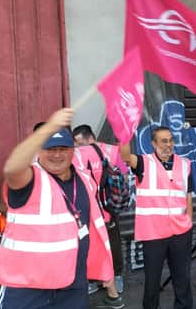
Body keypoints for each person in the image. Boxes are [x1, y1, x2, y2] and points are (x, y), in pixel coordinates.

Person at [0, 108, 116, 309]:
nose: (57, 154)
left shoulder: (85, 180)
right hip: (27, 290)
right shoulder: (30, 179)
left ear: (73, 150)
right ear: (39, 151)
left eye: (63, 148)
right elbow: (12, 168)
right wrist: (49, 127)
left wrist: (104, 268)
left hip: (73, 286)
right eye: (50, 149)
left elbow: (93, 229)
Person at [120, 126, 193, 309]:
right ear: (153, 143)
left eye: (170, 140)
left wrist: (189, 220)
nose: (168, 144)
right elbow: (125, 156)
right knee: (152, 282)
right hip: (153, 234)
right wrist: (125, 131)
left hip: (181, 231)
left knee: (182, 279)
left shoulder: (185, 164)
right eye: (163, 141)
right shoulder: (144, 163)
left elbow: (188, 195)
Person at [72, 124, 126, 295]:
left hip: (89, 211)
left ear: (90, 138)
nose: (78, 148)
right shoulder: (111, 150)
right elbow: (123, 173)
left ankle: (94, 280)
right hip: (109, 206)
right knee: (113, 243)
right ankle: (116, 278)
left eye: (79, 143)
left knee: (91, 245)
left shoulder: (75, 155)